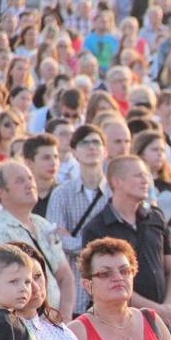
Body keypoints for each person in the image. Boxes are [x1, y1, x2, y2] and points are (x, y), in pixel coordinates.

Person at [82, 155, 171, 327]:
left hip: (162, 320)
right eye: (139, 175)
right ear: (118, 182)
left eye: (146, 176)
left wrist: (168, 307)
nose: (146, 181)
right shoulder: (98, 228)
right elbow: (104, 281)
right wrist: (155, 309)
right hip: (121, 323)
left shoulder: (156, 218)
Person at [0, 162, 76, 322]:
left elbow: (66, 277)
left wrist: (65, 318)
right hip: (22, 325)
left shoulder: (43, 225)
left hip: (54, 321)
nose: (29, 184)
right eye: (20, 181)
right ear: (1, 192)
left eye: (30, 178)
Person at [46, 125, 109, 319]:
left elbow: (121, 239)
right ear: (74, 151)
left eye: (96, 142)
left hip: (110, 290)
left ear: (105, 151)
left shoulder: (116, 192)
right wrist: (103, 247)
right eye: (84, 143)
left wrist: (74, 241)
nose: (91, 147)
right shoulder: (61, 193)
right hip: (74, 292)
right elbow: (55, 241)